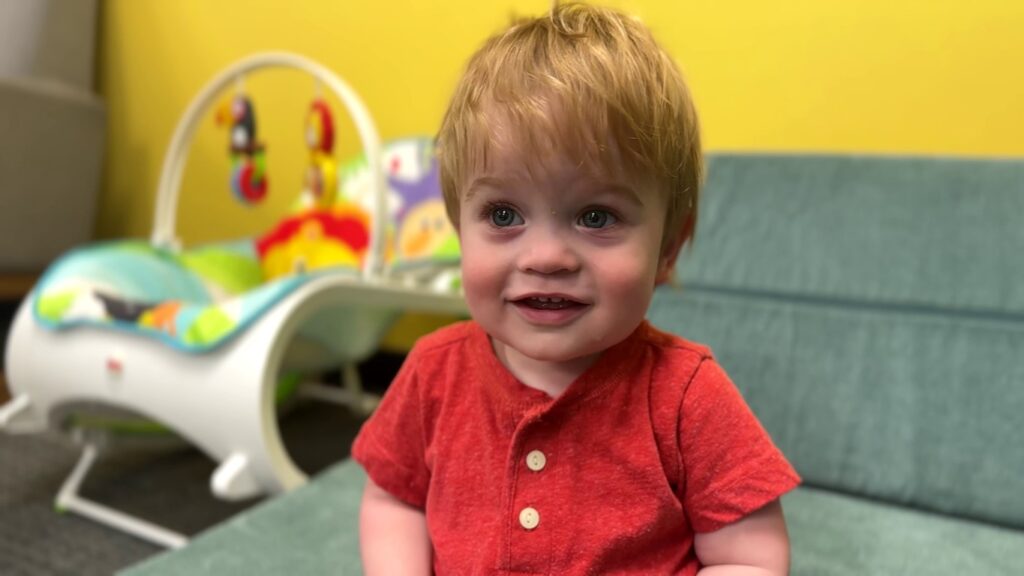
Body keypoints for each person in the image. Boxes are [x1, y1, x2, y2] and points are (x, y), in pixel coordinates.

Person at [352, 3, 800, 574]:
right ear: (459, 230)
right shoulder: (432, 373)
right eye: (504, 214)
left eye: (595, 217)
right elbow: (394, 499)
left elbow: (750, 558)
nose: (545, 258)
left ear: (667, 249)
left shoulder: (686, 395)